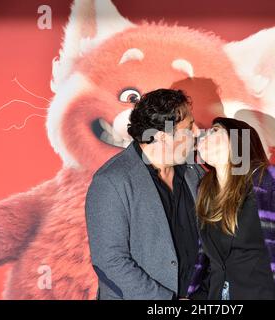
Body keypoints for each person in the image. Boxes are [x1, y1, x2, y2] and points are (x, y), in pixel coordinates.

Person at [188, 117, 275, 300]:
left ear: (238, 140)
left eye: (215, 130)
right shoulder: (204, 189)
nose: (204, 136)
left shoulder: (269, 182)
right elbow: (209, 262)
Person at [85, 89, 205, 299]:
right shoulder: (111, 182)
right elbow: (110, 262)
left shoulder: (194, 172)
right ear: (163, 137)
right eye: (189, 127)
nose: (197, 132)